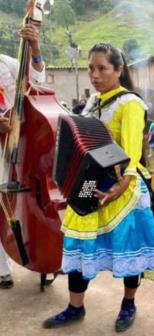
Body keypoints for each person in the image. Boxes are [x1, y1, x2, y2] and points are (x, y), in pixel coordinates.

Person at [43, 43, 154, 332]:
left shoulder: (130, 103)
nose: (95, 75)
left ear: (119, 71)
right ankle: (75, 307)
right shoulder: (92, 102)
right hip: (90, 184)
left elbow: (132, 152)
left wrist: (121, 187)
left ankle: (128, 304)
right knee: (79, 243)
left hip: (123, 185)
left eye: (102, 69)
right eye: (90, 68)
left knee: (128, 247)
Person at [0, 23, 45, 289]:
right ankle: (2, 268)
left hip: (16, 145)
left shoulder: (5, 63)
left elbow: (36, 83)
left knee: (19, 200)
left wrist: (35, 48)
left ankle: (38, 257)